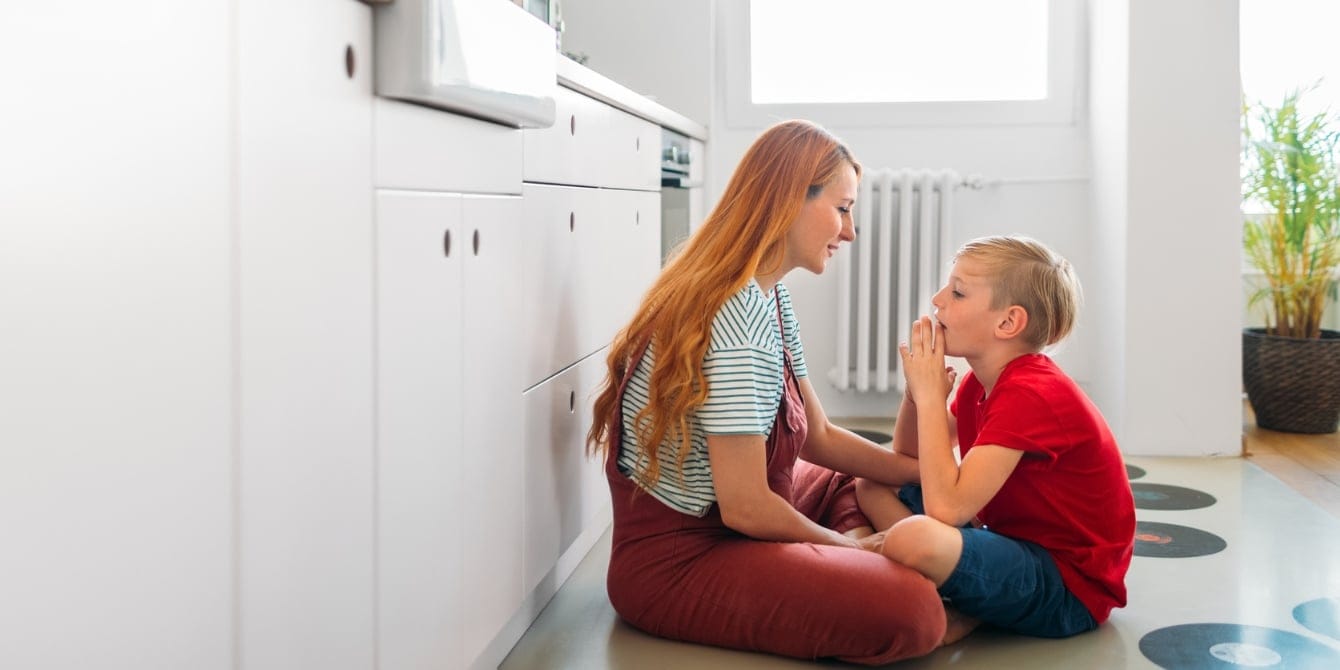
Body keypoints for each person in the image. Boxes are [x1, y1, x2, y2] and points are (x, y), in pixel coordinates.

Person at [585, 120, 946, 664]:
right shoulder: (738, 317)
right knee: (914, 611)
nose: (850, 232)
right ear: (788, 200)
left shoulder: (767, 294)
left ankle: (858, 562)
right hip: (682, 561)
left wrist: (927, 473)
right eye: (843, 209)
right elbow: (748, 508)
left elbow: (817, 436)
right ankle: (877, 570)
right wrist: (849, 546)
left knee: (859, 475)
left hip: (740, 516)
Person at [855, 235, 1135, 644]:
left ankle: (926, 581)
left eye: (957, 292)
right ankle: (961, 596)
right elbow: (909, 456)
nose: (937, 299)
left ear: (1007, 323)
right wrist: (918, 394)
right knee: (874, 483)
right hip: (1008, 541)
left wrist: (933, 399)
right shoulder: (978, 383)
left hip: (1068, 587)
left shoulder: (1031, 391)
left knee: (917, 536)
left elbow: (947, 509)